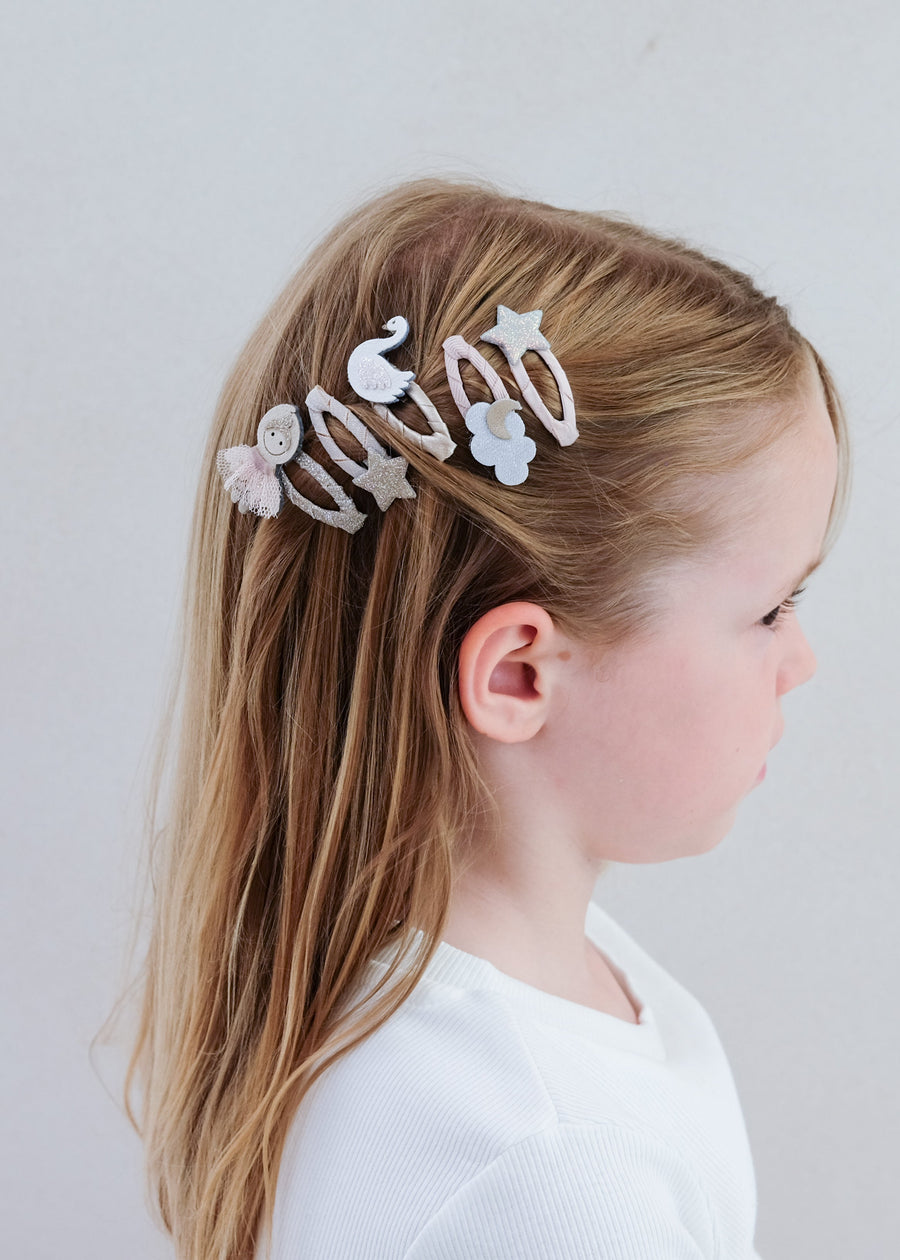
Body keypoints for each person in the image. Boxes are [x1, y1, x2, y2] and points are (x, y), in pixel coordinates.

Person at [119, 176, 850, 1260]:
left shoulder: (500, 999)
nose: (803, 663)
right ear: (517, 676)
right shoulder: (545, 1174)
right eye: (771, 608)